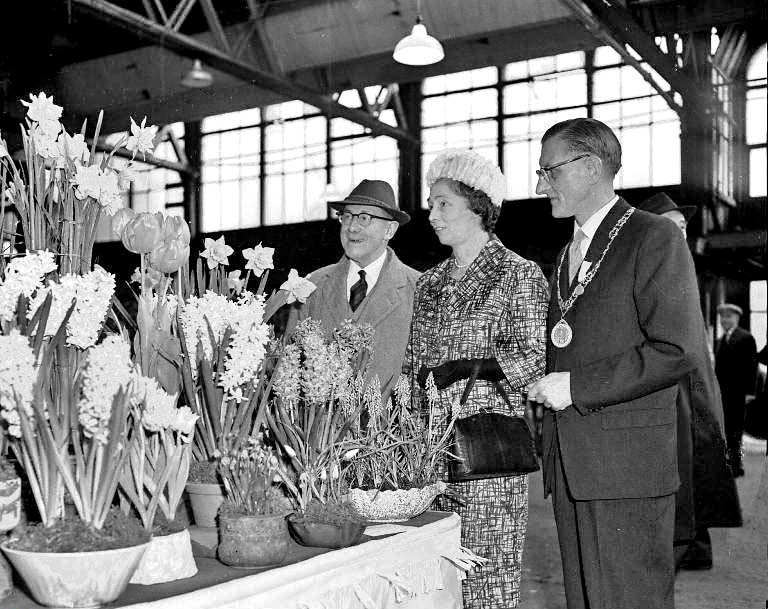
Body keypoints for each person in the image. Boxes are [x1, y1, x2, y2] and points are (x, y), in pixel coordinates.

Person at [526, 118, 704, 609]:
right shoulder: (569, 252)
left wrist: (577, 387)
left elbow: (678, 348)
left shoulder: (653, 237)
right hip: (572, 461)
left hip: (626, 467)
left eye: (549, 171)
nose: (540, 184)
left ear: (589, 166)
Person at [403, 148, 549, 609]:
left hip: (488, 451)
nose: (432, 214)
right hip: (428, 452)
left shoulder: (518, 274)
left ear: (480, 208)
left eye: (443, 203)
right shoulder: (428, 283)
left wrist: (467, 367)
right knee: (436, 577)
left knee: (488, 576)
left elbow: (533, 357)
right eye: (431, 204)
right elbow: (411, 364)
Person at [637, 192, 742, 572]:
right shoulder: (651, 266)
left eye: (683, 227)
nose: (681, 233)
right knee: (682, 467)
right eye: (674, 226)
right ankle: (687, 544)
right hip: (672, 385)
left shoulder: (683, 266)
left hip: (696, 384)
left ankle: (696, 545)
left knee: (702, 464)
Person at [286, 179, 420, 396]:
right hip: (318, 428)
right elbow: (289, 364)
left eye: (365, 218)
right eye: (346, 216)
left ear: (390, 230)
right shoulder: (310, 286)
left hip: (389, 428)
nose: (351, 227)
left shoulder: (419, 289)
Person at [715, 302, 758, 477]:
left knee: (736, 431)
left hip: (739, 394)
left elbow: (752, 367)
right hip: (723, 394)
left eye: (728, 317)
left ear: (737, 318)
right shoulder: (720, 340)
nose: (724, 320)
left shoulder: (746, 338)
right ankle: (728, 463)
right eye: (722, 317)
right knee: (725, 429)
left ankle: (737, 465)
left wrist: (750, 392)